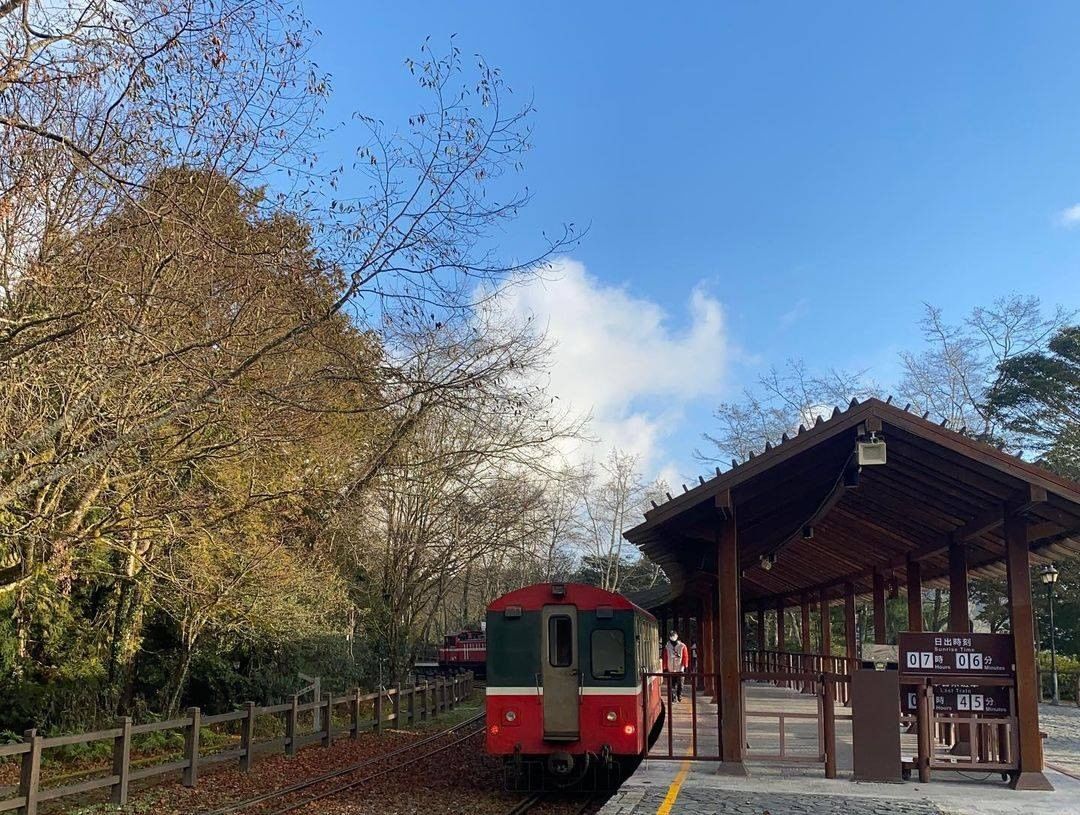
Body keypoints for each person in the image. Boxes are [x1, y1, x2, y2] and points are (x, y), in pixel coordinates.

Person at [662, 630, 690, 702]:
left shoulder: (682, 646)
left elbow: (685, 657)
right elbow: (665, 657)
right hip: (670, 668)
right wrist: (665, 667)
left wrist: (685, 666)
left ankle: (679, 695)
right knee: (672, 684)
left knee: (680, 684)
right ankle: (673, 697)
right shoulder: (667, 646)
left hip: (680, 668)